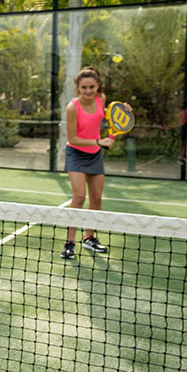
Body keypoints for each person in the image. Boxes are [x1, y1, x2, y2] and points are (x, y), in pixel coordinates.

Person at [60, 66, 131, 259]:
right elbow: (73, 138)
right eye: (84, 87)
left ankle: (89, 238)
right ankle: (69, 243)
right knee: (79, 197)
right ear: (78, 88)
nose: (89, 91)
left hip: (95, 154)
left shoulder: (102, 99)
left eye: (92, 86)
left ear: (98, 86)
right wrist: (99, 142)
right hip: (76, 153)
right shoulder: (72, 107)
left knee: (97, 198)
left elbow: (106, 115)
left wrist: (122, 111)